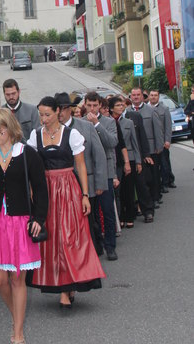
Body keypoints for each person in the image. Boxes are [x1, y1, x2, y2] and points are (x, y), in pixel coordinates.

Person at [0, 109, 48, 344]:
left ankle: (18, 332)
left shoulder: (28, 154)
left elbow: (41, 190)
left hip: (20, 222)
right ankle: (17, 315)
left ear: (10, 128)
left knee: (17, 280)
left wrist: (38, 219)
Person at [28, 96, 105, 308]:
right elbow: (33, 169)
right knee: (52, 239)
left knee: (69, 237)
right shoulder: (35, 136)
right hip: (46, 190)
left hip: (69, 188)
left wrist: (85, 195)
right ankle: (62, 285)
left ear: (58, 112)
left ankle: (68, 286)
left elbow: (80, 166)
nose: (43, 119)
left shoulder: (72, 134)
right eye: (41, 114)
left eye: (47, 114)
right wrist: (34, 191)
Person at [55, 92, 107, 255]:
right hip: (64, 186)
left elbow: (98, 156)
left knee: (91, 221)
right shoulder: (53, 130)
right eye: (57, 109)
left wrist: (100, 183)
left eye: (63, 109)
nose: (60, 113)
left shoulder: (86, 127)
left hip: (87, 182)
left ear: (70, 110)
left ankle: (96, 250)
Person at [84, 92, 119, 260]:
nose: (91, 108)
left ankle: (110, 246)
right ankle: (97, 244)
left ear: (100, 106)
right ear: (84, 105)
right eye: (89, 105)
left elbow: (112, 143)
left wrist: (97, 124)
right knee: (92, 214)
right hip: (89, 173)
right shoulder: (80, 123)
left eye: (95, 105)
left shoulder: (109, 122)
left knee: (107, 211)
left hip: (105, 172)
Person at [127, 87, 164, 207]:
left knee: (153, 175)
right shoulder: (127, 112)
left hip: (151, 148)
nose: (136, 97)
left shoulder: (150, 110)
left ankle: (155, 197)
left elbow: (157, 129)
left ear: (142, 96)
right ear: (130, 97)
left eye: (138, 95)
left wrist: (159, 145)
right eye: (134, 95)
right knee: (142, 177)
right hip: (136, 149)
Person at [108, 97, 141, 229]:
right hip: (115, 159)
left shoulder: (128, 122)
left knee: (128, 189)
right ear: (111, 108)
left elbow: (134, 142)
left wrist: (137, 161)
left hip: (128, 158)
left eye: (122, 105)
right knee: (119, 192)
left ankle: (129, 216)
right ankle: (120, 217)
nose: (121, 107)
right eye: (118, 105)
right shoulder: (109, 122)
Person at [148, 89, 176, 191]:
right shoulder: (146, 109)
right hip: (151, 143)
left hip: (163, 141)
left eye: (155, 95)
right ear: (149, 96)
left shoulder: (164, 109)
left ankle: (166, 182)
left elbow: (168, 126)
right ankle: (158, 184)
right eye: (151, 95)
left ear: (158, 97)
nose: (153, 97)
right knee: (155, 165)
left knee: (164, 163)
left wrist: (167, 140)